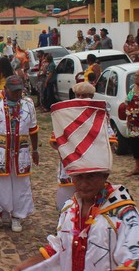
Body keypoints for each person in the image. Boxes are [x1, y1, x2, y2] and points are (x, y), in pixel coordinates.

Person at [8, 100, 139, 271]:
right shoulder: (70, 208)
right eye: (78, 177)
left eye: (91, 177)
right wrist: (27, 266)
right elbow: (58, 246)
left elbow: (131, 260)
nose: (83, 184)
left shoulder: (123, 213)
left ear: (104, 176)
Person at [0, 75, 39, 233]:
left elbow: (33, 129)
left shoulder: (27, 104)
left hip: (20, 152)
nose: (17, 94)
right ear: (6, 89)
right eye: (14, 91)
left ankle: (17, 216)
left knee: (20, 184)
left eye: (20, 91)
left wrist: (36, 149)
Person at [50, 82, 117, 210]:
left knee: (91, 203)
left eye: (84, 95)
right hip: (70, 166)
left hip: (92, 168)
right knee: (66, 204)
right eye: (78, 95)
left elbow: (110, 142)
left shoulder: (100, 114)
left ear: (91, 96)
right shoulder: (66, 114)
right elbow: (55, 141)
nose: (80, 98)